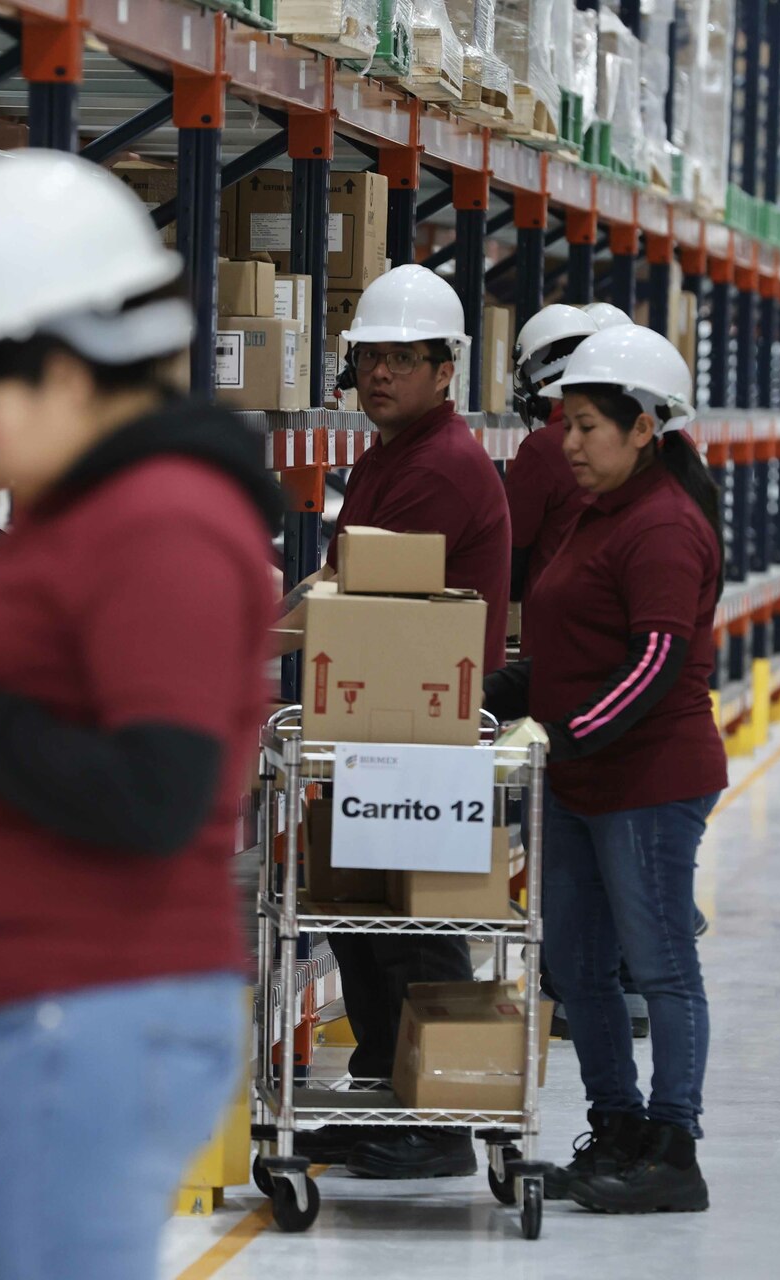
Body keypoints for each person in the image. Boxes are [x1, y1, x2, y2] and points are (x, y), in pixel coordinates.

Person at [0, 151, 279, 1280]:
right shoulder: (91, 508)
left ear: (68, 375)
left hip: (87, 1013)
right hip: (50, 1012)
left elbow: (153, 792)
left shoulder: (161, 521)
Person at [484, 324, 728, 1214]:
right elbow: (569, 647)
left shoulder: (663, 525)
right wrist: (491, 692)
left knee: (659, 965)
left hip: (647, 781)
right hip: (583, 778)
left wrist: (567, 733)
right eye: (566, 425)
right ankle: (616, 1127)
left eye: (588, 426)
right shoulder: (603, 512)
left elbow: (656, 657)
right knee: (578, 968)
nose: (571, 444)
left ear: (644, 428)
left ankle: (673, 1146)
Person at [288, 263, 512, 1181]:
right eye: (370, 357)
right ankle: (388, 1087)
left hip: (422, 726)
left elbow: (365, 590)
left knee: (413, 928)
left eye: (402, 359)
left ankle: (439, 1120)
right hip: (382, 718)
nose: (379, 374)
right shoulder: (392, 454)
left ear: (445, 369)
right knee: (366, 922)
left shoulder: (438, 467)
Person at [506, 303, 599, 616]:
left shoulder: (543, 449)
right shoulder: (635, 440)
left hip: (558, 624)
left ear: (540, 387)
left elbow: (510, 554)